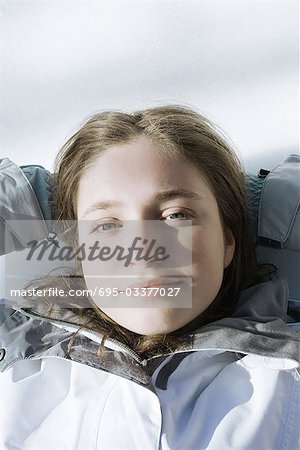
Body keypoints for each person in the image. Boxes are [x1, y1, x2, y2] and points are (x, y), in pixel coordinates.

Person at [0, 105, 299, 450]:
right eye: (108, 225)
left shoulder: (287, 379)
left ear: (228, 241)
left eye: (175, 214)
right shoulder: (14, 381)